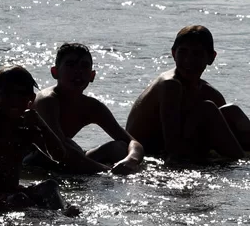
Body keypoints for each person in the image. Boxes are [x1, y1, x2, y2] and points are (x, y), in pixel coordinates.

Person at [0, 64, 80, 214]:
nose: (15, 99)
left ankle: (60, 215)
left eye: (21, 94)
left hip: (8, 192)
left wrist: (42, 124)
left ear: (31, 99)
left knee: (49, 186)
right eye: (8, 93)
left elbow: (59, 156)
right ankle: (49, 217)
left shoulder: (27, 130)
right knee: (20, 199)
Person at [125, 25, 250, 164]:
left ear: (211, 57)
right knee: (207, 109)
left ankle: (240, 158)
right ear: (173, 54)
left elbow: (224, 129)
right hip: (150, 151)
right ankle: (241, 163)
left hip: (178, 145)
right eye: (183, 52)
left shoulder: (209, 92)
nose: (188, 60)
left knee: (231, 110)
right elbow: (172, 145)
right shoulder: (170, 85)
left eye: (197, 54)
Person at [28, 43, 146, 175]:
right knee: (69, 145)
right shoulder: (47, 100)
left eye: (84, 66)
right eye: (70, 65)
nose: (78, 71)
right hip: (34, 159)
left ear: (92, 75)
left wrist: (130, 160)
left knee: (119, 148)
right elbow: (59, 148)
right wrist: (105, 171)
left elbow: (133, 142)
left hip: (66, 157)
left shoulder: (92, 107)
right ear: (55, 72)